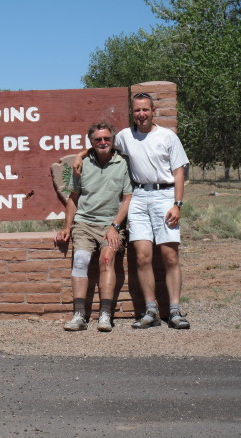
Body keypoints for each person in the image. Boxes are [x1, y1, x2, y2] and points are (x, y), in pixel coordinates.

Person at [73, 92, 190, 329]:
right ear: (132, 112)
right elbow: (101, 145)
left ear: (153, 110)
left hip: (165, 195)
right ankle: (150, 311)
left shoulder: (167, 137)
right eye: (137, 110)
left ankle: (175, 311)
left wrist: (177, 204)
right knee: (142, 256)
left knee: (169, 255)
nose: (141, 114)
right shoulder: (126, 135)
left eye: (145, 109)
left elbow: (179, 172)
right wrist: (81, 154)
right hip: (138, 197)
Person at [55, 122, 132, 332]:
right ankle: (79, 315)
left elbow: (127, 199)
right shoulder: (82, 164)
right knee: (81, 260)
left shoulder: (122, 163)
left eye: (106, 138)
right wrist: (67, 227)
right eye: (98, 139)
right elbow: (73, 198)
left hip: (111, 224)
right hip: (85, 223)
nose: (103, 142)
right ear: (91, 142)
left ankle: (105, 315)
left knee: (106, 260)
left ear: (112, 140)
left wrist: (115, 226)